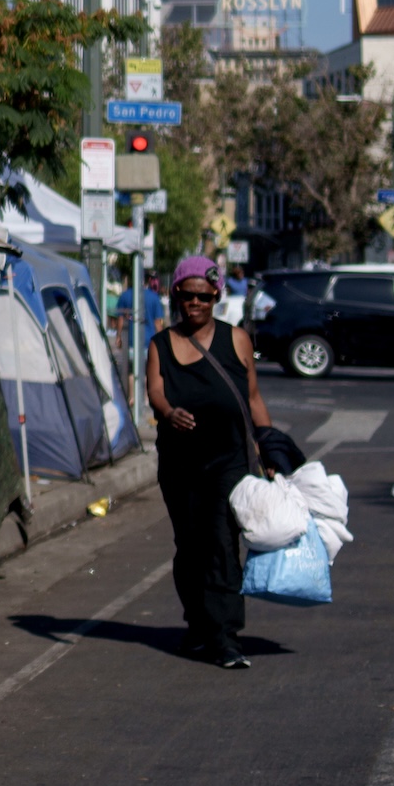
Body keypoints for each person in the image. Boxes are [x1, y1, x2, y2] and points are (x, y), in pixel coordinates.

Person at [144, 253, 275, 669]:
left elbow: (252, 398)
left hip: (228, 461)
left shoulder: (237, 340)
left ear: (216, 296)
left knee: (220, 542)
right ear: (175, 296)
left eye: (203, 296)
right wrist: (168, 413)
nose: (194, 304)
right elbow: (155, 391)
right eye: (187, 296)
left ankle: (225, 637)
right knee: (189, 546)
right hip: (181, 465)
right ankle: (199, 624)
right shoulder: (161, 344)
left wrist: (268, 446)